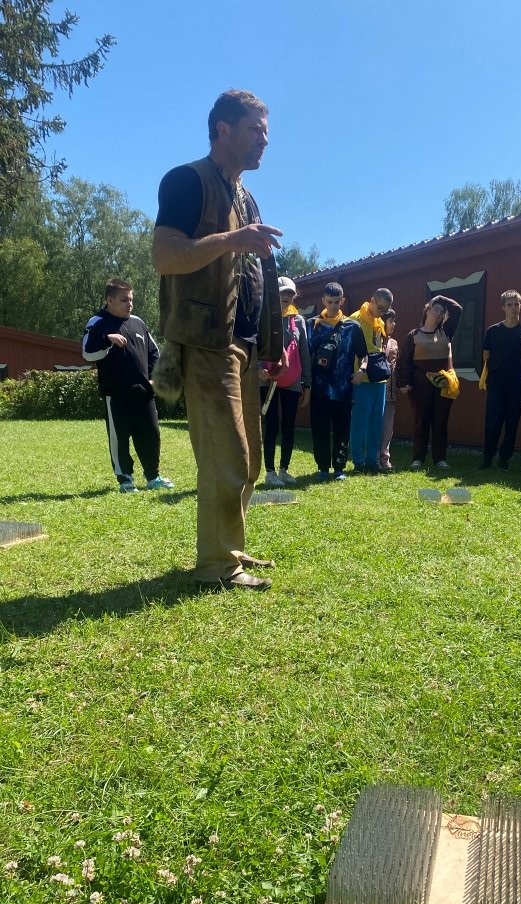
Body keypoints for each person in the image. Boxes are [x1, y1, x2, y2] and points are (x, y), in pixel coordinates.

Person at [152, 89, 284, 591]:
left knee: (249, 459)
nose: (265, 140)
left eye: (267, 132)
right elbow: (165, 256)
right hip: (206, 340)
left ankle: (231, 549)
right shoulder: (187, 181)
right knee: (226, 456)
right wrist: (232, 239)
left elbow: (251, 276)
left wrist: (269, 344)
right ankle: (217, 566)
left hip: (244, 344)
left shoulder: (246, 196)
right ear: (223, 130)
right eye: (256, 129)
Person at [82, 278, 174, 494]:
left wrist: (154, 377)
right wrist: (107, 339)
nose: (129, 304)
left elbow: (154, 353)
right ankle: (125, 480)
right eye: (124, 300)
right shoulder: (97, 322)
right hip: (116, 394)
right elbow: (87, 353)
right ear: (109, 300)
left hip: (144, 394)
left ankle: (153, 477)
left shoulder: (138, 322)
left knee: (151, 436)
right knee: (120, 439)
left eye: (131, 299)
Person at [306, 282, 367, 481]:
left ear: (342, 301)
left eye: (336, 302)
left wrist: (361, 371)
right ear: (323, 301)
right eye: (329, 302)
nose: (333, 306)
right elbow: (304, 355)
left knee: (342, 429)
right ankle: (323, 468)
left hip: (343, 389)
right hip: (319, 388)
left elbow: (364, 355)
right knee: (320, 429)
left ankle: (339, 468)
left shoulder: (353, 326)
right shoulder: (312, 325)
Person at [399, 295, 463, 470]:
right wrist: (405, 382)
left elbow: (458, 309)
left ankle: (440, 458)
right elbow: (405, 361)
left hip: (443, 386)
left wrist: (441, 298)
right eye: (435, 309)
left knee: (440, 422)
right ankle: (418, 458)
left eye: (442, 312)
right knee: (421, 421)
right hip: (420, 387)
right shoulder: (413, 335)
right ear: (427, 311)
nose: (438, 313)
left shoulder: (446, 332)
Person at [259, 276, 311, 487]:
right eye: (283, 292)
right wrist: (258, 370)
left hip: (292, 380)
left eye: (290, 293)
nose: (287, 296)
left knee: (288, 425)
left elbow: (304, 352)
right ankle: (269, 472)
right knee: (271, 424)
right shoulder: (263, 317)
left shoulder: (298, 320)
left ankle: (284, 470)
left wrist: (307, 384)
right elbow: (255, 346)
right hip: (268, 380)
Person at [479, 290, 521, 470]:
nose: (513, 308)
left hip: (516, 383)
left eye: (516, 304)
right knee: (493, 423)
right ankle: (487, 458)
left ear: (520, 306)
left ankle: (504, 459)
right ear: (503, 307)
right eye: (509, 305)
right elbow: (486, 356)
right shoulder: (493, 331)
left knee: (512, 423)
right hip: (496, 383)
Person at [349, 288, 393, 473]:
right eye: (380, 308)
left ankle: (372, 461)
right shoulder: (355, 319)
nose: (381, 313)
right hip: (361, 379)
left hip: (379, 379)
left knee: (377, 421)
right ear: (372, 300)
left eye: (385, 310)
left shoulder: (379, 322)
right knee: (360, 421)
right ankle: (358, 461)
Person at [378, 309, 399, 471]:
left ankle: (385, 458)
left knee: (387, 427)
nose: (394, 324)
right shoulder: (374, 339)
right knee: (375, 425)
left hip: (390, 391)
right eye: (391, 321)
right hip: (377, 389)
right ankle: (373, 456)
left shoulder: (394, 343)